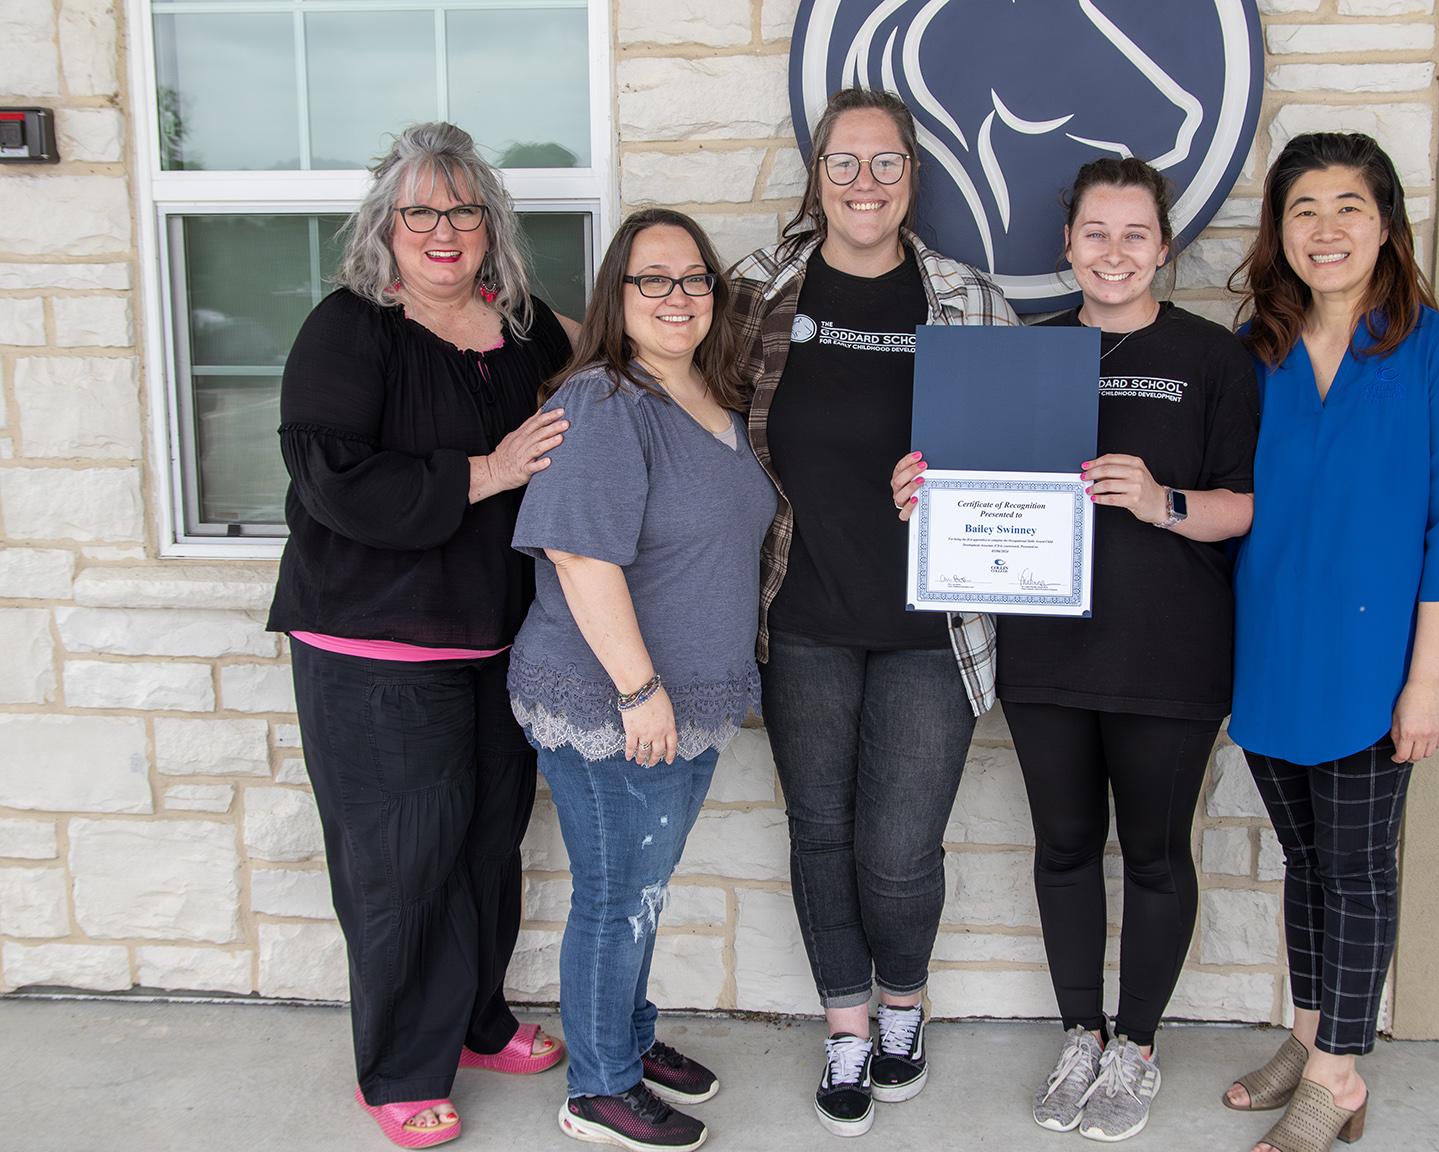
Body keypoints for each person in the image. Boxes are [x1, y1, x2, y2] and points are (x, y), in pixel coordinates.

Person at [906, 157, 1260, 1142]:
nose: (1113, 252)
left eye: (1134, 233)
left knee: (1152, 853)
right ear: (1066, 246)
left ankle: (1135, 1047)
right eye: (1094, 233)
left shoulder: (1214, 360)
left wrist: (1160, 501)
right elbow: (970, 490)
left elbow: (1247, 505)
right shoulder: (1022, 358)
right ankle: (1080, 1033)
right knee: (1063, 849)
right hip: (1049, 654)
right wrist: (926, 498)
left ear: (1165, 246)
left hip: (1170, 654)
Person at [267, 121, 582, 1148]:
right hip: (375, 652)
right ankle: (402, 1064)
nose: (443, 230)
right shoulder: (351, 331)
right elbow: (330, 482)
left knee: (487, 848)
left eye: (464, 210)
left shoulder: (518, 328)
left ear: (492, 226)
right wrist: (486, 472)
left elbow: (603, 357)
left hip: (493, 642)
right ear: (386, 226)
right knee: (401, 864)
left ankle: (477, 1020)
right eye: (421, 212)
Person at [728, 87, 1018, 1137]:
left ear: (912, 176)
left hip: (931, 627)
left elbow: (1025, 468)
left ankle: (905, 1005)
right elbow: (678, 391)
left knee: (899, 850)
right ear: (817, 175)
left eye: (885, 163)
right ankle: (847, 1024)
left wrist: (963, 480)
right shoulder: (758, 290)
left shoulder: (969, 300)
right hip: (797, 613)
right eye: (844, 163)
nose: (864, 182)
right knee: (820, 832)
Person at [1224, 132, 1439, 1152]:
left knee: (1359, 865)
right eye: (1303, 209)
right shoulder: (1260, 352)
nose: (1325, 229)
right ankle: (1308, 1033)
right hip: (1272, 651)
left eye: (1348, 206)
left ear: (1385, 223)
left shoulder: (1436, 349)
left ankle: (1338, 1077)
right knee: (1307, 860)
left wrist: (1427, 684)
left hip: (1377, 665)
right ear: (1279, 230)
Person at [509, 208, 777, 1152]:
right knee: (619, 892)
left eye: (693, 278)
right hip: (610, 704)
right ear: (616, 296)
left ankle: (623, 1032)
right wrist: (637, 690)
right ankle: (599, 1088)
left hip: (688, 704)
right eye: (652, 279)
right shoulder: (605, 403)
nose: (676, 296)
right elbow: (581, 557)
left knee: (644, 886)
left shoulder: (711, 394)